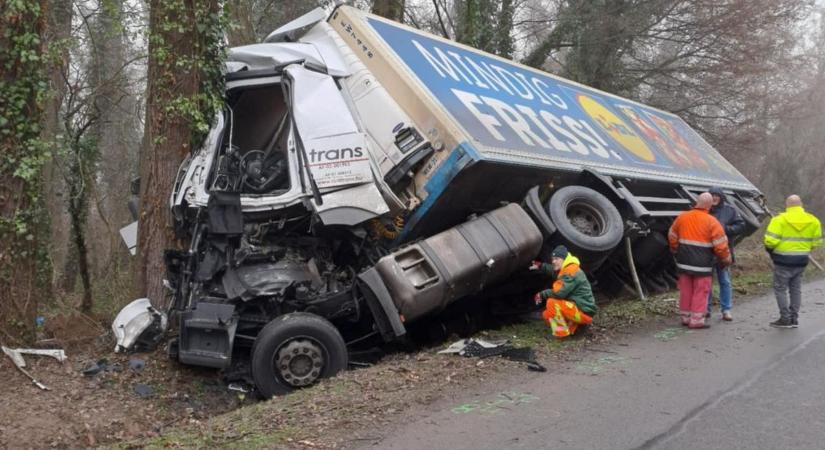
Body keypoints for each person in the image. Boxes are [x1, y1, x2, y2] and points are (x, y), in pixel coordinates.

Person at [668, 192, 731, 329]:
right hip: (702, 264)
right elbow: (721, 246)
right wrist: (726, 259)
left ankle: (685, 317)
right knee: (700, 291)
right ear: (709, 206)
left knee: (686, 290)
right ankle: (696, 320)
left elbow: (672, 235)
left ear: (697, 202)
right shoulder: (712, 221)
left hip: (683, 261)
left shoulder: (682, 217)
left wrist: (675, 249)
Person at [764, 195, 822, 328]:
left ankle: (785, 319)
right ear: (801, 204)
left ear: (787, 205)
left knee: (780, 289)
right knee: (796, 289)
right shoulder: (813, 220)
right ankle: (794, 318)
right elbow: (817, 242)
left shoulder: (779, 220)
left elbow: (770, 241)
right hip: (801, 260)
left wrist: (770, 250)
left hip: (782, 260)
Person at [532, 245, 597, 338]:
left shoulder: (570, 271)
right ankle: (576, 328)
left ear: (564, 259)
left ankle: (561, 335)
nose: (553, 261)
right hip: (580, 309)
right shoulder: (568, 268)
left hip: (583, 312)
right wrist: (541, 266)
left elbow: (558, 293)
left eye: (556, 259)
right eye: (552, 259)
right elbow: (554, 271)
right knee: (546, 315)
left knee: (552, 303)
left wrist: (541, 294)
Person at [706, 187, 746, 321]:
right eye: (712, 195)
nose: (714, 198)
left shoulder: (730, 210)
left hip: (724, 252)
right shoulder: (704, 209)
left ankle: (726, 310)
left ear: (721, 197)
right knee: (706, 282)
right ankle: (706, 309)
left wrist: (725, 229)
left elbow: (741, 226)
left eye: (717, 195)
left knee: (725, 281)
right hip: (705, 252)